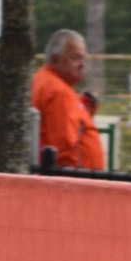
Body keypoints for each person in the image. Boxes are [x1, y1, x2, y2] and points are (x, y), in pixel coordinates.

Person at [31, 28, 106, 172]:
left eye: (83, 59)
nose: (82, 65)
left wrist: (83, 113)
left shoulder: (42, 80)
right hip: (75, 179)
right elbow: (63, 149)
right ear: (55, 60)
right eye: (75, 58)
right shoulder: (58, 91)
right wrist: (72, 180)